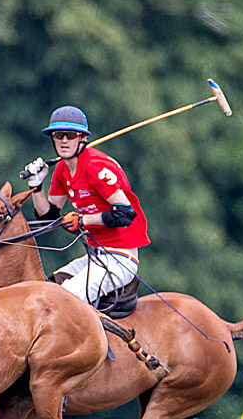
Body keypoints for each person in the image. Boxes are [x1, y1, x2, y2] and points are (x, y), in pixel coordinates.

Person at [22, 105, 149, 308]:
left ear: (82, 138)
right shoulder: (62, 170)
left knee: (61, 302)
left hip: (120, 258)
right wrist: (36, 186)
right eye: (58, 135)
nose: (64, 140)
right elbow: (48, 217)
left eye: (70, 135)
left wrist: (82, 220)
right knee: (46, 288)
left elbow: (126, 214)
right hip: (95, 255)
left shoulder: (96, 166)